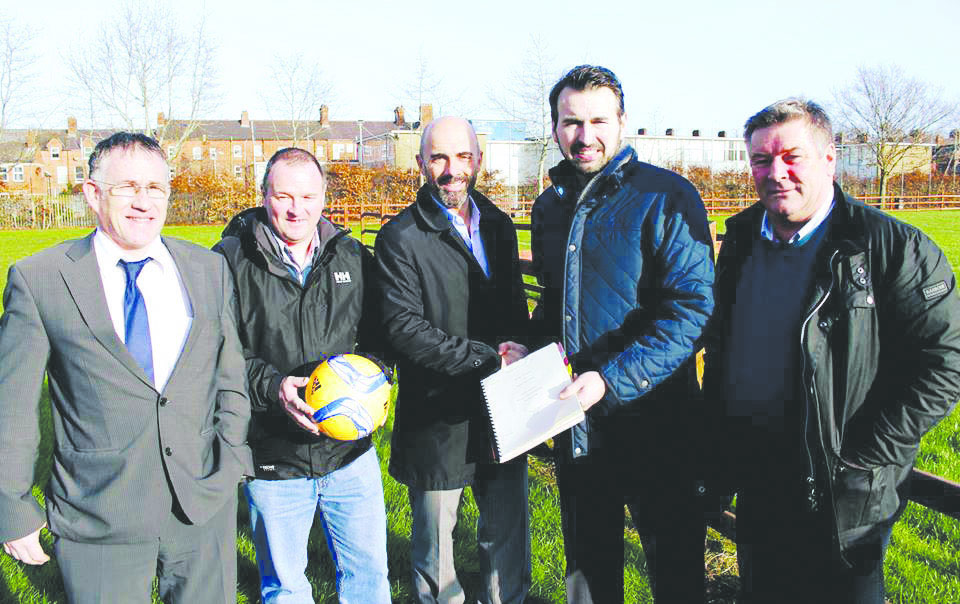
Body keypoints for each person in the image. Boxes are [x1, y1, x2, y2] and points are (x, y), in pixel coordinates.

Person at [702, 99, 960, 603]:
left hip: (844, 492)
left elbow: (943, 364)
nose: (776, 172)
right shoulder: (738, 242)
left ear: (829, 158)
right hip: (757, 474)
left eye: (792, 156)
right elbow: (723, 347)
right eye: (760, 160)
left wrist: (860, 456)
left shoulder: (889, 248)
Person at [0, 132, 253, 603]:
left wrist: (232, 456)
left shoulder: (207, 270)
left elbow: (229, 375)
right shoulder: (41, 280)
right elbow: (11, 407)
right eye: (127, 187)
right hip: (99, 513)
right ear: (93, 194)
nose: (143, 202)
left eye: (155, 188)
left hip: (201, 508)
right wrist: (11, 504)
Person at [530, 65, 715, 602]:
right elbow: (558, 302)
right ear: (555, 124)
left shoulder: (666, 196)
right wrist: (531, 341)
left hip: (659, 424)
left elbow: (693, 311)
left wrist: (609, 380)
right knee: (588, 572)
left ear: (623, 120)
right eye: (571, 122)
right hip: (580, 426)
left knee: (675, 570)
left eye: (597, 120)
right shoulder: (550, 206)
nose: (584, 136)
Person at [214, 147, 391, 603]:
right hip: (274, 458)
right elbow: (220, 353)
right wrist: (274, 388)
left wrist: (374, 383)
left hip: (350, 455)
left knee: (369, 579)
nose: (297, 208)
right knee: (286, 587)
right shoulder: (228, 262)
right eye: (284, 196)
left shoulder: (351, 256)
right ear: (263, 194)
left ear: (324, 195)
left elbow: (382, 337)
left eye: (309, 196)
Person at [374, 116, 531, 604]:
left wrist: (521, 349)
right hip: (438, 414)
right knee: (436, 547)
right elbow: (405, 330)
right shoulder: (401, 237)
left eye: (462, 156)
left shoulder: (500, 227)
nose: (451, 169)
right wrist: (487, 358)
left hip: (503, 405)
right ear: (421, 163)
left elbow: (512, 308)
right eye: (438, 157)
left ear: (478, 160)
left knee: (506, 533)